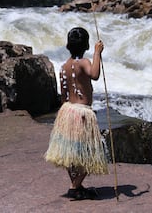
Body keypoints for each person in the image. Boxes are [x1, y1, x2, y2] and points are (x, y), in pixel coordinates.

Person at [44, 27, 108, 200]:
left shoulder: (64, 66)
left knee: (71, 152)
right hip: (81, 113)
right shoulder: (84, 62)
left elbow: (64, 94)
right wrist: (97, 53)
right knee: (91, 152)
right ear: (86, 44)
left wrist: (66, 115)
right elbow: (94, 74)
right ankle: (75, 186)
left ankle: (77, 186)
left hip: (68, 111)